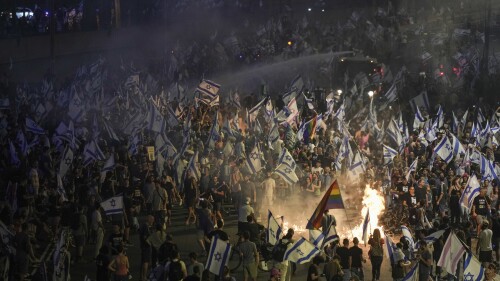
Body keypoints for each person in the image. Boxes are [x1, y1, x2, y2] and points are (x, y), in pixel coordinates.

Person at [139, 215, 155, 281]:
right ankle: (144, 277)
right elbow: (145, 238)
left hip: (143, 246)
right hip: (146, 247)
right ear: (149, 219)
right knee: (146, 262)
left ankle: (142, 276)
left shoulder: (144, 226)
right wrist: (150, 244)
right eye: (152, 220)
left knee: (143, 262)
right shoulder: (145, 227)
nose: (153, 222)